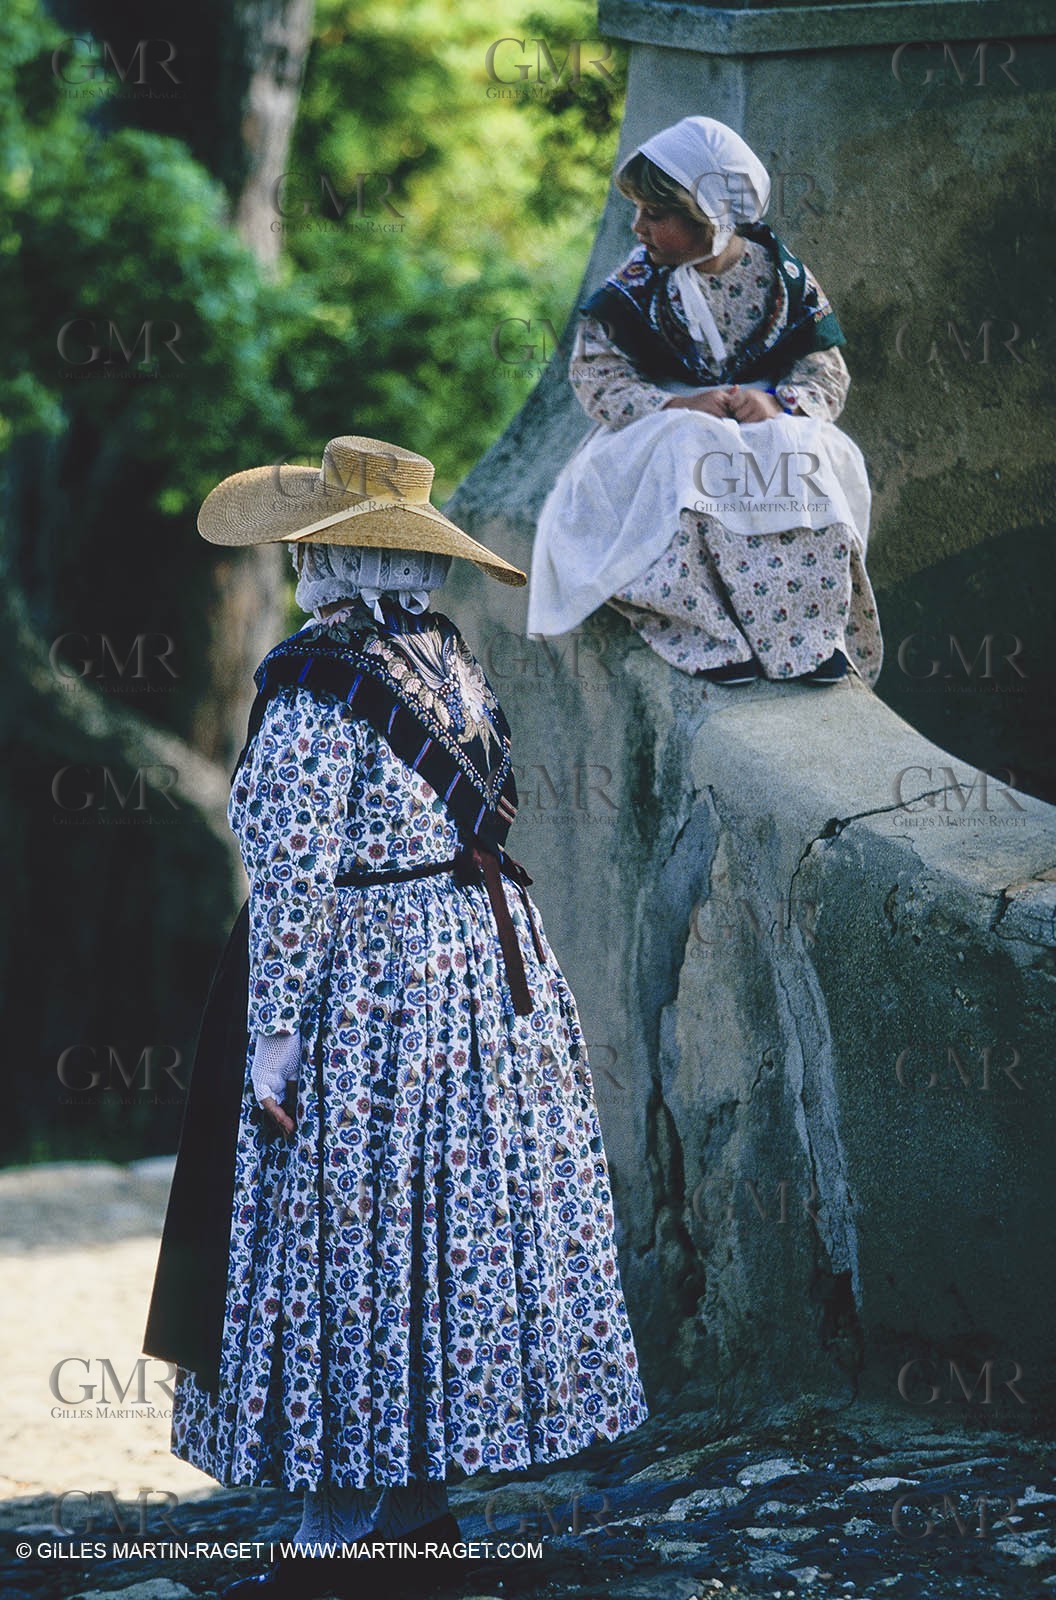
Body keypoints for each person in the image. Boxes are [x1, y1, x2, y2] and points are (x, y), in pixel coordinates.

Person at [142, 435, 649, 1600]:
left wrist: (273, 1035)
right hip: (472, 963)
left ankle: (341, 1523)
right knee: (442, 1222)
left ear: (327, 552)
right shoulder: (446, 657)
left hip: (369, 982)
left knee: (348, 1238)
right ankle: (417, 1510)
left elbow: (292, 862)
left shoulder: (318, 678)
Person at [528, 115, 883, 688]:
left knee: (805, 450)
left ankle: (807, 637)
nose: (638, 227)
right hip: (662, 429)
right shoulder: (637, 285)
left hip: (759, 419)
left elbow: (825, 368)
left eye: (656, 214)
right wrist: (675, 407)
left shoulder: (782, 278)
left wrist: (781, 405)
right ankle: (706, 633)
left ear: (711, 216)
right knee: (692, 449)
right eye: (638, 212)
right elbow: (597, 375)